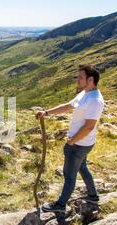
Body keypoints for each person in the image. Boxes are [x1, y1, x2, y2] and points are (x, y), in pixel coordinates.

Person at [36, 65, 105, 213]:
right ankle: (93, 195)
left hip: (79, 144)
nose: (77, 80)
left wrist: (72, 141)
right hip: (81, 143)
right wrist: (47, 113)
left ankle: (60, 205)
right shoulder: (85, 94)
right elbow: (68, 106)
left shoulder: (95, 100)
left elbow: (89, 126)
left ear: (90, 79)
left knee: (69, 175)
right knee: (82, 167)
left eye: (80, 77)